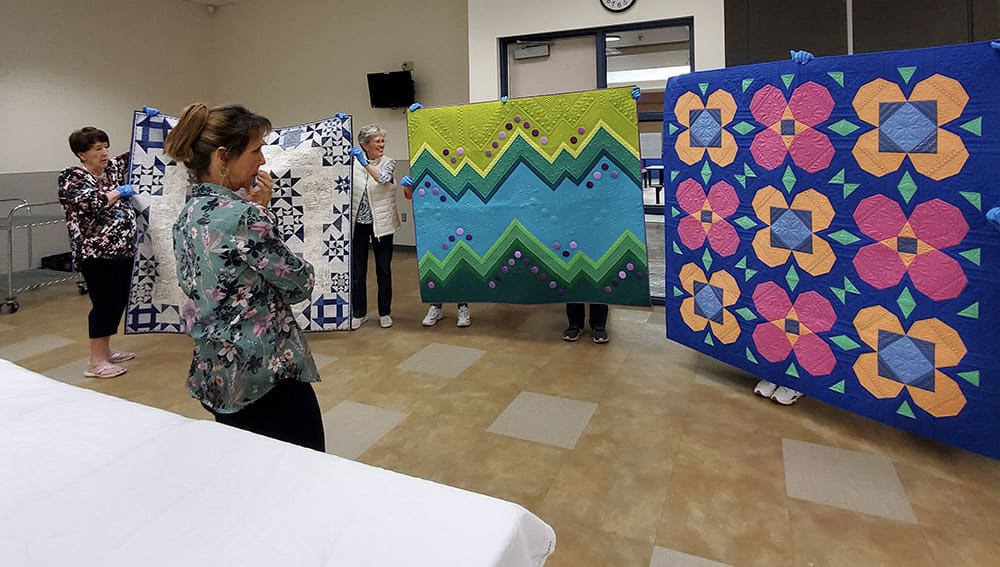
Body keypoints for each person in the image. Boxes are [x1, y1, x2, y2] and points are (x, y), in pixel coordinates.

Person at [165, 103, 324, 451]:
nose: (263, 161)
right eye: (256, 150)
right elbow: (299, 284)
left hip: (217, 371)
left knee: (246, 464)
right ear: (223, 157)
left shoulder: (187, 216)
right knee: (304, 467)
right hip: (263, 375)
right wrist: (262, 215)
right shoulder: (242, 217)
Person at [58, 112, 155, 379]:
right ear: (81, 153)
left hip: (123, 250)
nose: (104, 152)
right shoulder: (72, 177)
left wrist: (149, 126)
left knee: (118, 300)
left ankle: (107, 350)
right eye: (97, 148)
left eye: (105, 146)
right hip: (96, 253)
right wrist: (117, 192)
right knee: (104, 303)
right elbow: (93, 203)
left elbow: (137, 153)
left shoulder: (111, 168)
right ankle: (95, 361)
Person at [398, 174, 473, 328]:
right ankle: (436, 305)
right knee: (436, 264)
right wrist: (408, 187)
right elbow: (410, 196)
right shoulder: (426, 161)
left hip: (458, 220)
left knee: (459, 261)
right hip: (434, 223)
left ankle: (462, 307)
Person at [350, 124, 403, 329]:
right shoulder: (351, 164)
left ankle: (385, 312)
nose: (381, 145)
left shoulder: (389, 163)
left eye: (382, 141)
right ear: (364, 145)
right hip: (359, 225)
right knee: (358, 270)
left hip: (382, 224)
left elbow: (381, 179)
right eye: (377, 141)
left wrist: (364, 163)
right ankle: (359, 312)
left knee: (384, 270)